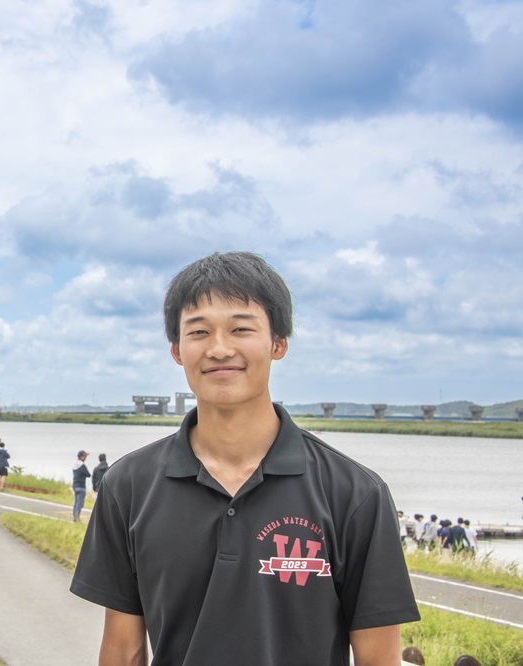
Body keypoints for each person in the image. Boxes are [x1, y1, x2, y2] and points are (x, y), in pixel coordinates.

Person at [69, 252, 419, 665]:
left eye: (241, 329)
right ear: (177, 350)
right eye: (198, 332)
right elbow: (124, 651)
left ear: (278, 344)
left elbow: (378, 659)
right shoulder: (128, 486)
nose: (220, 349)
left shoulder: (355, 493)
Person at [72, 450, 91, 522]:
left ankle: (75, 516)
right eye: (85, 456)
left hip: (75, 485)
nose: (86, 457)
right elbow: (88, 474)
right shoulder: (82, 465)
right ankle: (76, 518)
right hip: (81, 486)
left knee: (76, 502)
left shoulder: (75, 464)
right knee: (80, 503)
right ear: (81, 457)